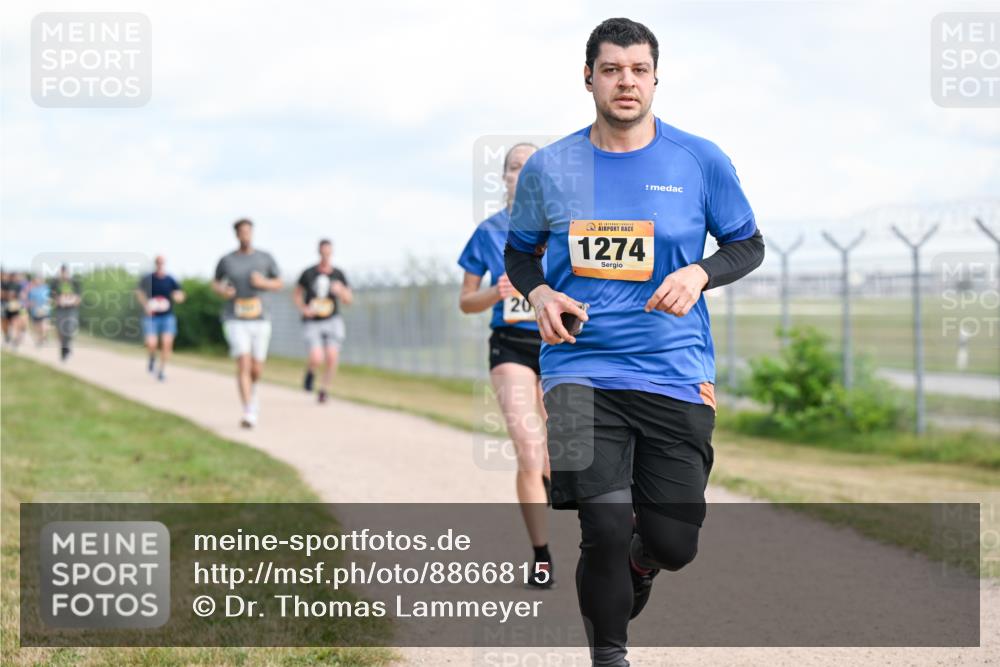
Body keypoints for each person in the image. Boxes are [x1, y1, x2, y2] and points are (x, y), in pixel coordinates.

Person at [504, 18, 765, 667]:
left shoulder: (699, 159)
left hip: (674, 368)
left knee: (673, 542)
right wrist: (540, 293)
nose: (626, 81)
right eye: (612, 69)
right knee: (603, 524)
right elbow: (519, 253)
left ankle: (640, 565)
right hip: (577, 368)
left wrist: (699, 272)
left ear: (655, 78)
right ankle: (610, 655)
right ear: (588, 77)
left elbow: (747, 244)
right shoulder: (550, 166)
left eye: (639, 69)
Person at [458, 142, 557, 589]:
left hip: (558, 346)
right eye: (516, 166)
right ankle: (541, 554)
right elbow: (465, 302)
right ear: (504, 177)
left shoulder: (563, 228)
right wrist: (495, 292)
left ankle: (554, 491)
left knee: (559, 453)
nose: (524, 172)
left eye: (532, 166)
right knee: (529, 449)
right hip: (511, 345)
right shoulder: (488, 232)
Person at [213, 218, 283, 428]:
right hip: (235, 318)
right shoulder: (227, 260)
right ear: (236, 234)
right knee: (243, 362)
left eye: (248, 231)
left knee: (256, 368)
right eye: (241, 232)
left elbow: (279, 282)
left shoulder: (265, 257)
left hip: (260, 318)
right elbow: (215, 282)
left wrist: (263, 283)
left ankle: (253, 391)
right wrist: (223, 290)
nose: (245, 235)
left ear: (252, 233)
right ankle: (248, 411)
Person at [293, 239, 353, 403]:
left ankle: (324, 389)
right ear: (319, 252)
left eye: (328, 252)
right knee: (317, 357)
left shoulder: (338, 274)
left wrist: (341, 291)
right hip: (313, 321)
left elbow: (349, 300)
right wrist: (303, 308)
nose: (326, 255)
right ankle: (311, 372)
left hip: (332, 320)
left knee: (332, 356)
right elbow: (297, 294)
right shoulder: (308, 273)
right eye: (323, 252)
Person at [136, 255, 186, 381]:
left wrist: (178, 297)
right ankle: (152, 357)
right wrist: (146, 305)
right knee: (151, 343)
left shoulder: (170, 279)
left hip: (167, 317)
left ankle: (161, 371)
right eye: (158, 262)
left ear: (164, 264)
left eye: (162, 262)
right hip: (151, 317)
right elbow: (139, 292)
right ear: (155, 263)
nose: (160, 264)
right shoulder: (148, 278)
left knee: (167, 343)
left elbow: (180, 294)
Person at [50, 265, 82, 361]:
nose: (64, 275)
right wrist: (57, 301)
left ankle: (66, 346)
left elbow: (79, 297)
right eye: (62, 273)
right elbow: (52, 296)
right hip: (60, 309)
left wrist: (74, 302)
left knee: (70, 329)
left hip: (71, 309)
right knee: (61, 330)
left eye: (65, 273)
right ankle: (64, 349)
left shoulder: (74, 282)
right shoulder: (55, 283)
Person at [2, 271, 27, 350]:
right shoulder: (5, 284)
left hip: (16, 306)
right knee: (5, 323)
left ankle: (15, 341)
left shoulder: (19, 286)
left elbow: (22, 296)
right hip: (6, 306)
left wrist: (17, 297)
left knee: (16, 323)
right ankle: (7, 337)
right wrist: (7, 295)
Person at [25, 274, 52, 348]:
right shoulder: (32, 290)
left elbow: (50, 298)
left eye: (39, 279)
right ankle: (40, 339)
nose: (38, 281)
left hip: (45, 310)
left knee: (44, 325)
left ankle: (42, 339)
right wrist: (31, 304)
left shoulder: (46, 288)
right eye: (37, 279)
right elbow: (29, 300)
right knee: (37, 327)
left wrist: (48, 303)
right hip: (35, 311)